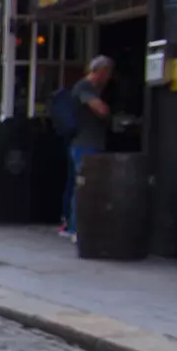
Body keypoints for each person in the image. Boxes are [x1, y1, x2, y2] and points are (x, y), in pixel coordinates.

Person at [63, 55, 114, 243]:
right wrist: (107, 111)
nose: (109, 77)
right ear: (101, 71)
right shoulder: (85, 87)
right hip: (85, 145)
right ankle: (77, 228)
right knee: (84, 186)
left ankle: (75, 226)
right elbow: (100, 109)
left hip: (85, 144)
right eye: (107, 73)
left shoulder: (88, 88)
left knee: (81, 185)